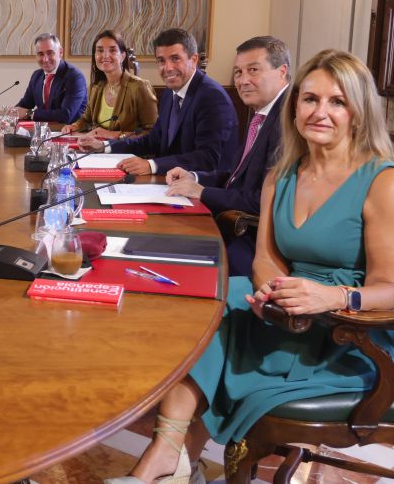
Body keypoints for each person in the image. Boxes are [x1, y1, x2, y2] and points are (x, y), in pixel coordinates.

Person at [106, 49, 394, 484]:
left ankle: (169, 463)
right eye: (310, 99)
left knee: (222, 328)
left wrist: (330, 296)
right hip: (283, 308)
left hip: (347, 331)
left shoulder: (380, 180)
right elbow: (266, 258)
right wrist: (269, 290)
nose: (320, 112)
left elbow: (389, 287)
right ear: (295, 106)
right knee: (207, 308)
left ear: (358, 112)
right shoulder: (282, 175)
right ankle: (165, 459)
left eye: (338, 101)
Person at [165, 36, 290, 277]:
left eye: (253, 70)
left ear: (281, 72)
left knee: (174, 261)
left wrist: (202, 192)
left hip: (257, 241)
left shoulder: (287, 122)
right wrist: (194, 177)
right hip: (236, 224)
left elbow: (264, 201)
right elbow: (236, 178)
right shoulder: (262, 114)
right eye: (238, 72)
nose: (243, 81)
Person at [79, 28, 238, 175]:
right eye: (161, 61)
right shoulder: (170, 92)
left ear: (194, 59)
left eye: (175, 59)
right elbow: (153, 140)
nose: (167, 68)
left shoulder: (212, 97)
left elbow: (207, 158)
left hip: (203, 187)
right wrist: (104, 146)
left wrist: (152, 165)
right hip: (170, 181)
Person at [59, 29, 157, 139]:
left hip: (126, 149)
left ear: (123, 56)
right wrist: (74, 126)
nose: (105, 56)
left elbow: (153, 132)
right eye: (100, 51)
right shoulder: (96, 88)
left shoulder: (140, 87)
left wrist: (113, 135)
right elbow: (86, 119)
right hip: (97, 147)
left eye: (112, 50)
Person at [12, 32, 88, 124]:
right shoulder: (36, 76)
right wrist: (13, 112)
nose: (45, 59)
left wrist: (30, 113)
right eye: (40, 54)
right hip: (43, 130)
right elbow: (25, 104)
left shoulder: (74, 77)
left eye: (50, 53)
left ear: (60, 53)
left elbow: (65, 115)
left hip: (69, 130)